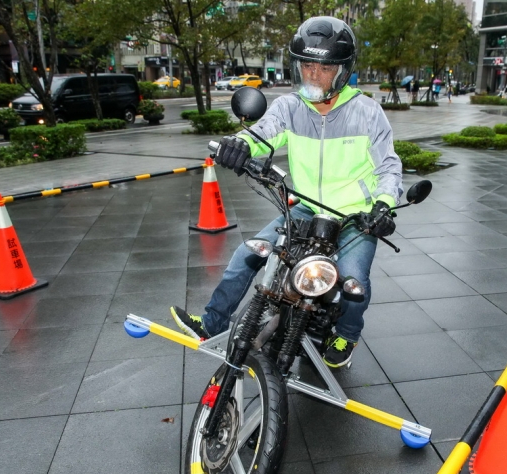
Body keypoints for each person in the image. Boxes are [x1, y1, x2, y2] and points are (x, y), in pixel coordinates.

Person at [171, 16, 403, 368]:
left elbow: (388, 165)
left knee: (354, 284)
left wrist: (384, 206)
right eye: (306, 65)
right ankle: (211, 323)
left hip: (357, 216)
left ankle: (347, 336)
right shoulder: (289, 107)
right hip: (305, 209)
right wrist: (239, 145)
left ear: (342, 70)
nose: (313, 74)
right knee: (247, 254)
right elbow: (261, 134)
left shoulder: (367, 112)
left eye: (323, 67)